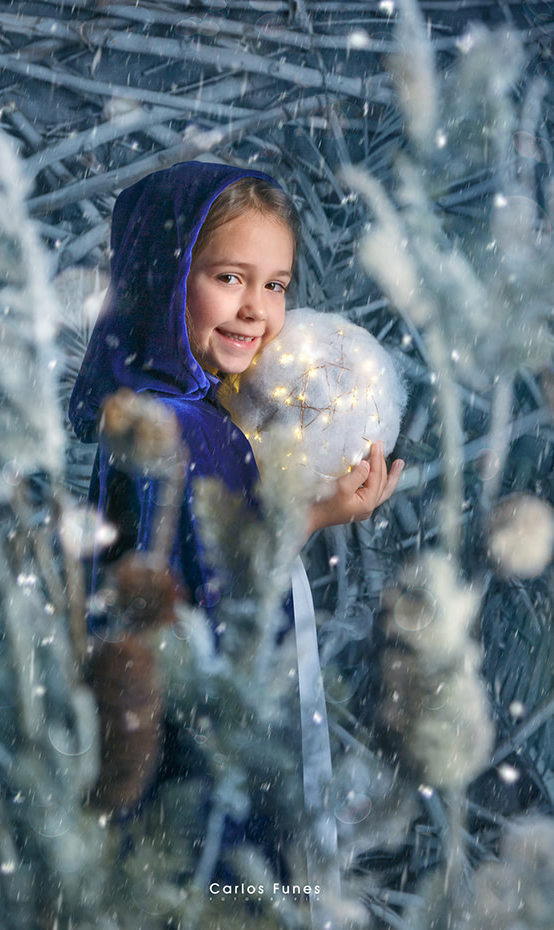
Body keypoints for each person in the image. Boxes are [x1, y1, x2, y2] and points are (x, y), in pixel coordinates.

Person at [70, 160, 404, 625]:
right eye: (229, 277)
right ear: (166, 277)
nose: (255, 309)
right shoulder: (171, 425)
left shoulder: (202, 414)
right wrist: (314, 515)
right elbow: (204, 615)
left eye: (274, 285)